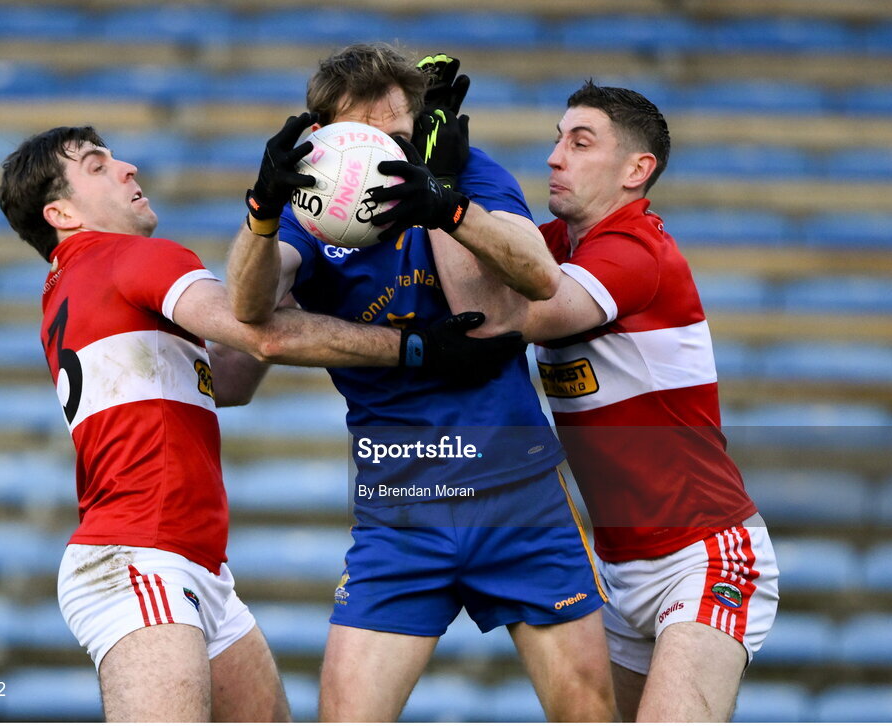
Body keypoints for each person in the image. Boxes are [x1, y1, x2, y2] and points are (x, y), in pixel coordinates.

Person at [0, 125, 523, 722]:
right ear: (60, 212)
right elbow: (262, 332)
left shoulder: (70, 285)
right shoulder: (133, 257)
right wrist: (414, 346)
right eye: (98, 166)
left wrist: (293, 282)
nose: (128, 167)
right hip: (142, 555)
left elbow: (228, 380)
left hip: (190, 563)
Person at [228, 42, 615, 722]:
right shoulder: (307, 212)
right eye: (364, 139)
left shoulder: (462, 174)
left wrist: (447, 204)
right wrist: (261, 213)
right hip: (400, 509)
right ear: (323, 137)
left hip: (518, 498)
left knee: (586, 710)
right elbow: (252, 311)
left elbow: (529, 285)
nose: (384, 157)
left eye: (399, 139)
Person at [424, 76, 781, 722]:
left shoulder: (637, 250)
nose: (556, 157)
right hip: (618, 570)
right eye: (557, 140)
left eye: (581, 143)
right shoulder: (557, 247)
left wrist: (448, 195)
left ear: (636, 170)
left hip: (702, 556)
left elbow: (493, 315)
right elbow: (468, 275)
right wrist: (431, 154)